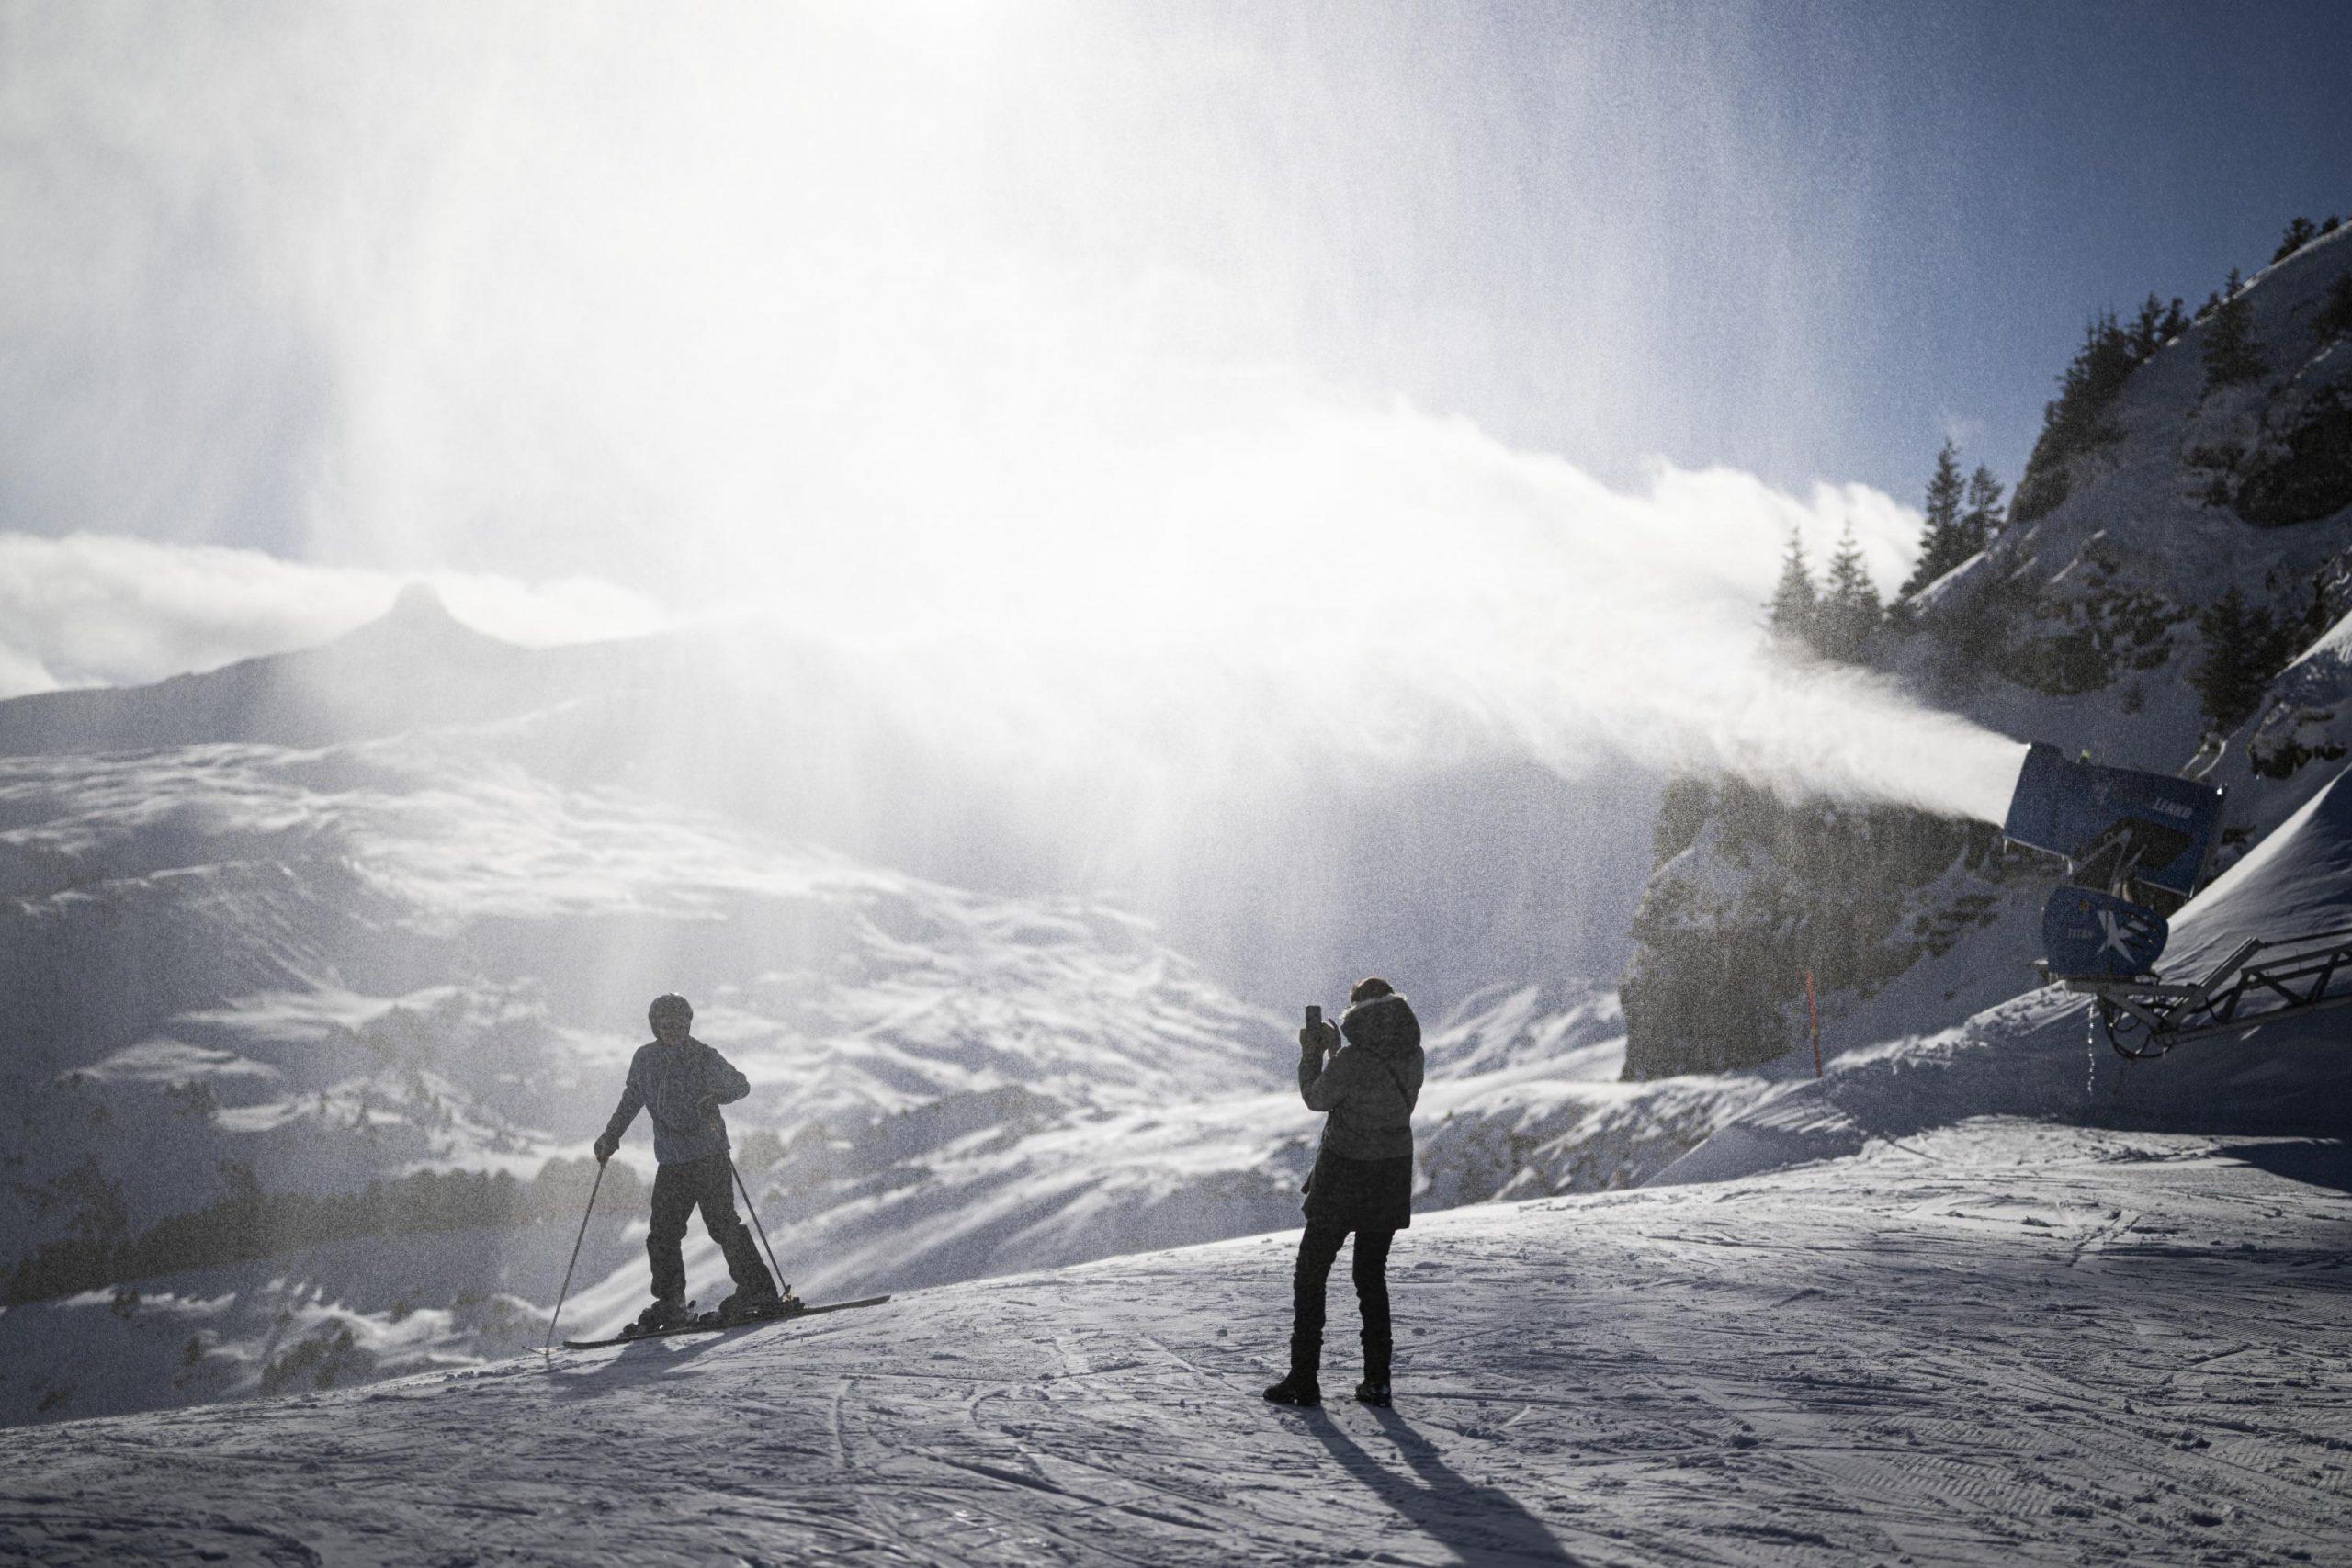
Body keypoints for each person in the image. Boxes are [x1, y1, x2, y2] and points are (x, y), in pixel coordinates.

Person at [1264, 976, 1423, 1409]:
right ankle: (1377, 1382)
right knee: (1370, 1277)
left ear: (1359, 1011)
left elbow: (1318, 1097)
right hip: (1389, 1175)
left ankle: (1303, 1379)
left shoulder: (1352, 1061)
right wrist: (1339, 1052)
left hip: (1344, 1174)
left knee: (1311, 1273)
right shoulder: (1413, 1055)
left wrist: (1312, 1054)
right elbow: (1379, 1090)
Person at [593, 993, 784, 1333]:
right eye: (666, 1025)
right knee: (663, 1233)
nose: (673, 1031)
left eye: (680, 1024)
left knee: (722, 1224)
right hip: (672, 1162)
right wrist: (611, 1136)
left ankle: (757, 1291)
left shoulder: (703, 1056)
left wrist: (717, 1096)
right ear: (655, 1027)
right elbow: (631, 1100)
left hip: (709, 1156)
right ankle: (671, 1304)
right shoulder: (644, 1060)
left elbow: (741, 1084)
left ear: (689, 1024)